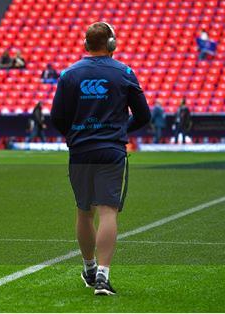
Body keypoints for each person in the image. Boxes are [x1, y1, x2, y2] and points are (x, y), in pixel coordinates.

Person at [50, 22, 151, 296]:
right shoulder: (124, 73)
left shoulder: (70, 74)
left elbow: (57, 117)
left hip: (81, 149)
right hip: (111, 150)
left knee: (84, 211)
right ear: (111, 45)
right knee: (108, 211)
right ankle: (103, 278)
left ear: (86, 45)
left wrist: (75, 136)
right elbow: (144, 116)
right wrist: (119, 131)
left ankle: (89, 267)